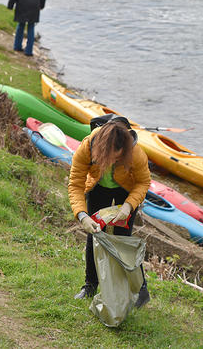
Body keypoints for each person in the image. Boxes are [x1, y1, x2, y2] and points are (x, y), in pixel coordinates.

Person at [68, 115, 151, 306]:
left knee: (123, 239)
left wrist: (129, 205)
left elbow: (144, 182)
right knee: (94, 234)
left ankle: (140, 291)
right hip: (98, 187)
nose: (115, 160)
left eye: (119, 157)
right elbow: (75, 184)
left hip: (126, 190)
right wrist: (82, 216)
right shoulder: (87, 146)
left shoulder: (135, 152)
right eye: (111, 157)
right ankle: (90, 285)